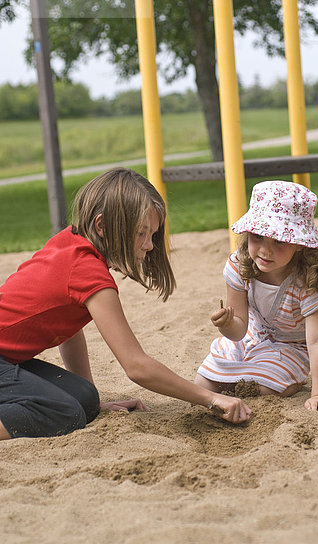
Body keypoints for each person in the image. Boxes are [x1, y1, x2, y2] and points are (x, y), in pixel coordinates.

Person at [0, 168, 251, 440]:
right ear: (102, 227)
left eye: (152, 234)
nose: (149, 245)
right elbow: (137, 366)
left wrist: (93, 402)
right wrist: (210, 398)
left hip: (8, 359)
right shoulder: (89, 273)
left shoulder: (70, 243)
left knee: (84, 400)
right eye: (141, 233)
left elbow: (69, 328)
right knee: (64, 413)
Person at [195, 180, 318, 412]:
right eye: (258, 236)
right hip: (250, 337)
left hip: (289, 347)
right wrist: (227, 323)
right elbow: (238, 330)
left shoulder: (307, 281)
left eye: (279, 241)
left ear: (299, 244)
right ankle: (237, 379)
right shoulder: (239, 265)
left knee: (265, 388)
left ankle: (276, 382)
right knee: (203, 381)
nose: (265, 250)